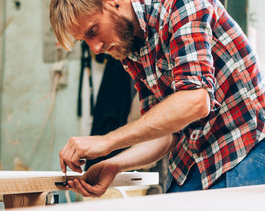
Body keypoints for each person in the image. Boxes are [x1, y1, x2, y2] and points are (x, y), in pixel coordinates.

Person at [49, 0, 265, 197]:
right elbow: (164, 132)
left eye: (93, 31)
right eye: (84, 40)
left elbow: (196, 102)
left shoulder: (182, 6)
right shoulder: (132, 50)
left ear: (113, 2)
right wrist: (114, 165)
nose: (95, 48)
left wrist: (106, 142)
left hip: (245, 146)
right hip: (195, 161)